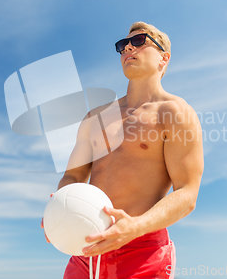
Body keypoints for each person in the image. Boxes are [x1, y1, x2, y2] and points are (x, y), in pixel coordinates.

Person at [41, 21, 204, 278]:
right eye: (122, 45)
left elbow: (187, 193)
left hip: (143, 250)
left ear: (164, 58)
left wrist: (137, 226)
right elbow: (73, 177)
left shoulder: (175, 113)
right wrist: (59, 211)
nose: (128, 47)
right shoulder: (95, 117)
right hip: (86, 249)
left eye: (139, 41)